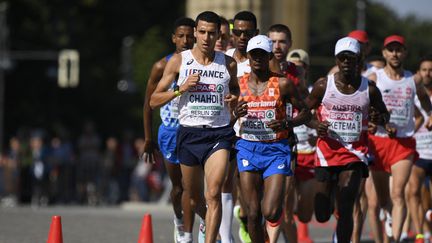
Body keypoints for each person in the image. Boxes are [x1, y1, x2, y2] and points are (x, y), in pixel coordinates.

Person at [150, 11, 239, 243]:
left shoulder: (228, 63)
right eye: (202, 32)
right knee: (193, 198)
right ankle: (206, 222)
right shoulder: (179, 61)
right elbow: (154, 100)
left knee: (214, 193)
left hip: (218, 135)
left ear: (219, 34)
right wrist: (180, 89)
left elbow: (236, 89)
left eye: (212, 33)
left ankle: (211, 239)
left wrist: (234, 99)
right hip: (189, 134)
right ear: (196, 33)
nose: (207, 38)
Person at [306, 37, 393, 243]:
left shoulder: (369, 89)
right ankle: (333, 198)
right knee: (321, 214)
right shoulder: (322, 86)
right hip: (327, 153)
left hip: (355, 153)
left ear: (359, 60)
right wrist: (316, 125)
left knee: (346, 206)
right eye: (342, 58)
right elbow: (305, 113)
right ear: (336, 60)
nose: (346, 62)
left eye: (350, 58)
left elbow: (384, 115)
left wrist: (379, 119)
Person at [234, 34, 311, 243]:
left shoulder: (283, 84)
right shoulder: (237, 84)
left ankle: (272, 224)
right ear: (248, 57)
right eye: (254, 54)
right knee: (252, 213)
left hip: (276, 150)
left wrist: (287, 124)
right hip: (247, 148)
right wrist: (235, 113)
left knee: (270, 211)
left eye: (262, 54)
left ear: (269, 56)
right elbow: (224, 112)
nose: (258, 58)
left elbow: (306, 113)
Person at [367, 35, 432, 242]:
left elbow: (424, 103)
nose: (395, 53)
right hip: (378, 141)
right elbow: (362, 105)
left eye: (399, 50)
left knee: (398, 194)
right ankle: (387, 216)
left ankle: (395, 238)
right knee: (383, 199)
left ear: (405, 53)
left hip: (403, 143)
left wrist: (429, 116)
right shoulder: (375, 77)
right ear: (385, 53)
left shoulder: (413, 79)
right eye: (391, 50)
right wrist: (368, 122)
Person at [142, 17, 195, 243]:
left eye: (189, 36)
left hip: (195, 130)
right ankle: (179, 220)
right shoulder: (161, 66)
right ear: (173, 38)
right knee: (179, 187)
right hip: (171, 132)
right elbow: (148, 103)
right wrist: (148, 138)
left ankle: (202, 228)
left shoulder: (205, 65)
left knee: (198, 187)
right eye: (180, 36)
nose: (185, 40)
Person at [226, 10, 259, 243]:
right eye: (237, 32)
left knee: (252, 201)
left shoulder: (260, 60)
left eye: (247, 33)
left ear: (255, 33)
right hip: (227, 132)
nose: (241, 36)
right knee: (225, 186)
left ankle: (245, 216)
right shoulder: (223, 59)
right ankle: (224, 237)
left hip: (254, 134)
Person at [407, 56, 432, 242]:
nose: (427, 73)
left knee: (428, 200)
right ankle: (420, 234)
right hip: (417, 151)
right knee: (413, 191)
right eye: (424, 70)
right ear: (418, 73)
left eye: (430, 70)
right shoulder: (410, 94)